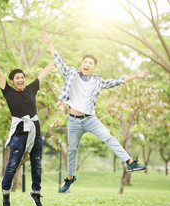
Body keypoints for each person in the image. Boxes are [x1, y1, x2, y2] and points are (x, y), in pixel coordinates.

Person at [40, 31, 149, 193]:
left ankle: (130, 162)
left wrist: (135, 76)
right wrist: (49, 43)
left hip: (90, 119)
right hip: (74, 120)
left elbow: (116, 81)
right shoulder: (71, 73)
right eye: (85, 62)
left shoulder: (98, 82)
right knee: (72, 150)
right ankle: (70, 178)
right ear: (81, 64)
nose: (87, 64)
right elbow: (58, 60)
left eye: (90, 63)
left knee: (109, 137)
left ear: (93, 67)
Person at [0, 44, 55, 206]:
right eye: (17, 78)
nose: (21, 80)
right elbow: (0, 75)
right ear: (13, 81)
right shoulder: (9, 92)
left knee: (36, 164)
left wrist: (54, 58)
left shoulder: (31, 89)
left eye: (22, 77)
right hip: (19, 133)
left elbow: (43, 73)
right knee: (12, 165)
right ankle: (6, 193)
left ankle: (35, 193)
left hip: (35, 131)